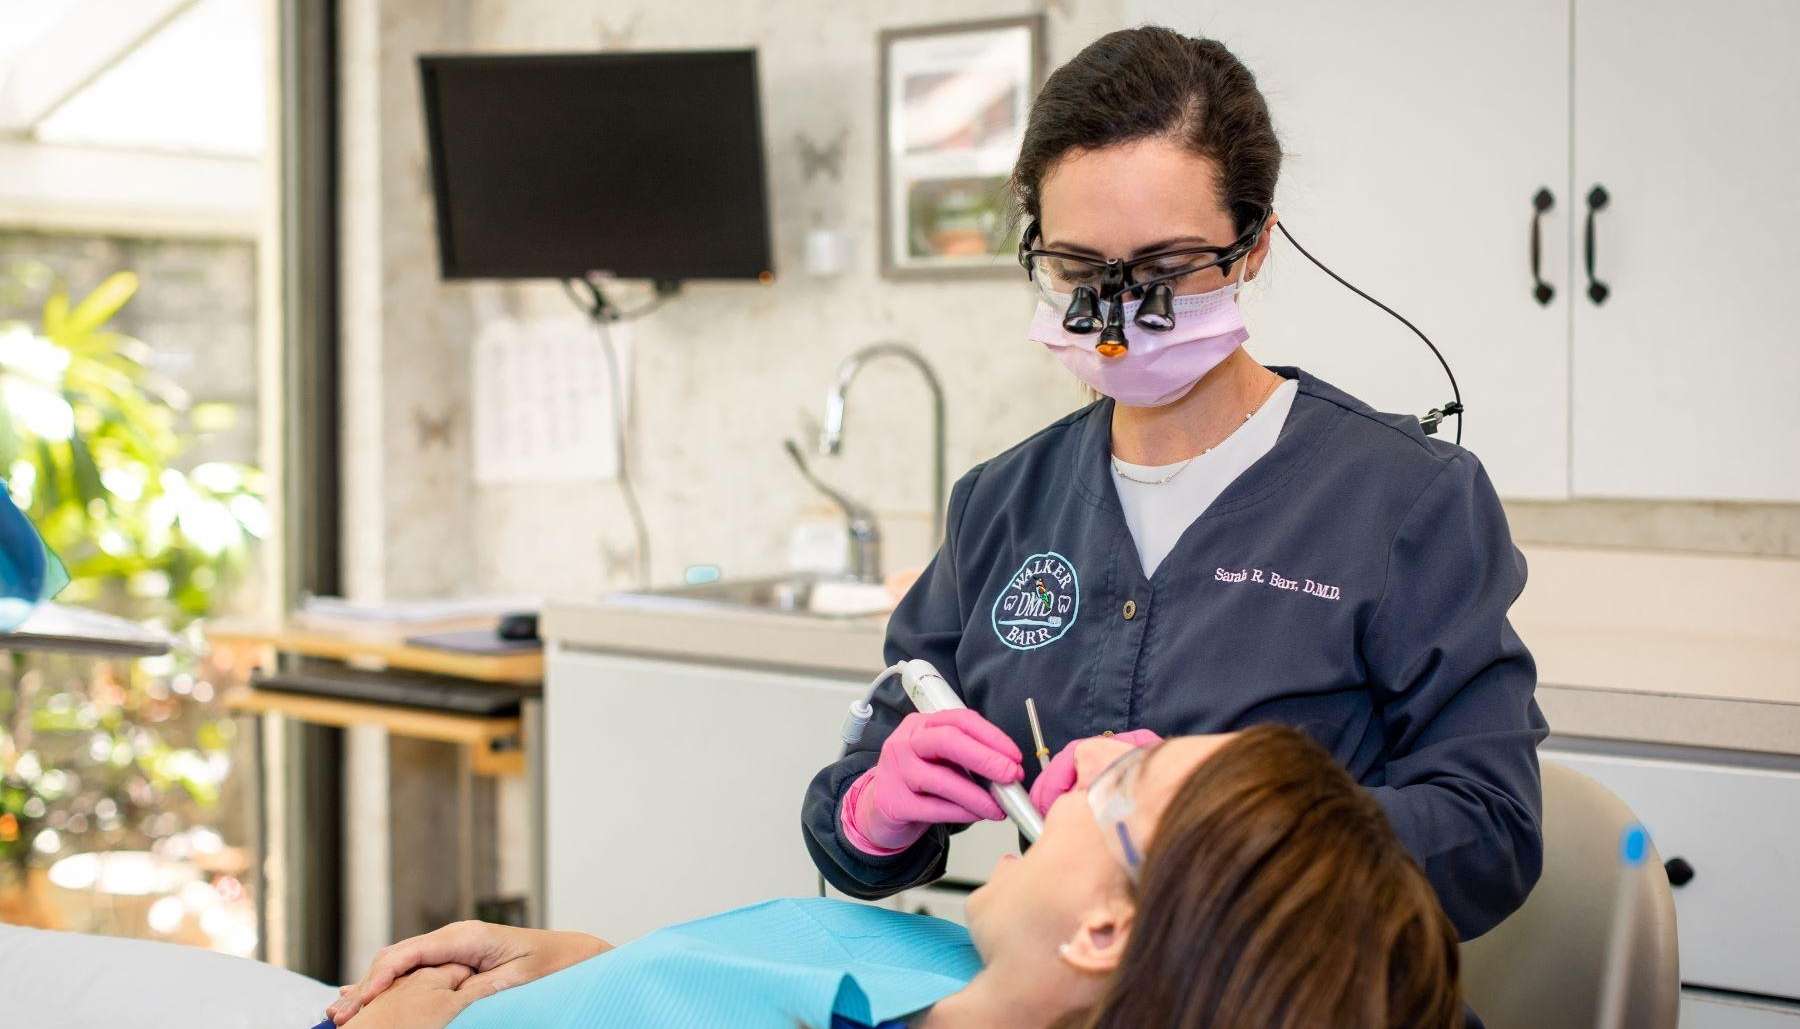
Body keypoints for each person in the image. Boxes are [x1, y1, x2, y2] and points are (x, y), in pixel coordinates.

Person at [802, 24, 1547, 943]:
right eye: (1077, 268)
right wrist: (871, 812)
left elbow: (1491, 834)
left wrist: (1217, 814)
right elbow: (863, 790)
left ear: (1255, 244)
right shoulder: (1002, 502)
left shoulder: (1405, 502)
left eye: (1166, 269)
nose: (1115, 318)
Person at [326, 726, 1461, 1028]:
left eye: (1126, 785)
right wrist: (586, 967)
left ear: (1106, 936)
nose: (1087, 761)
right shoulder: (956, 968)